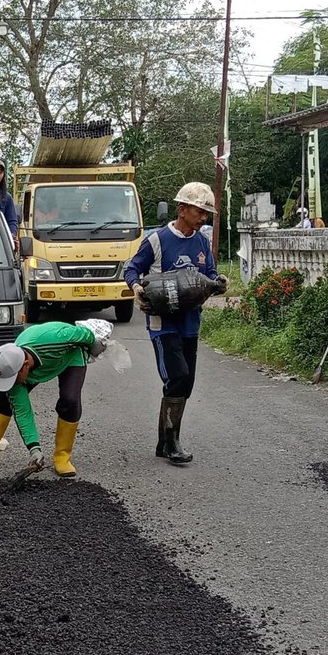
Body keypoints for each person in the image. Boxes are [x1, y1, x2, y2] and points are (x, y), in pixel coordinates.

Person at [125, 181, 218, 467]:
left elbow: (211, 273)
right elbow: (132, 269)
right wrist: (137, 289)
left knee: (186, 381)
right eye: (199, 211)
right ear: (182, 209)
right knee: (176, 375)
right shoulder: (157, 239)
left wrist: (218, 284)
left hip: (191, 321)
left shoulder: (202, 241)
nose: (203, 218)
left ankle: (165, 441)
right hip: (162, 322)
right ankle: (172, 441)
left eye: (206, 213)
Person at [0, 319, 111, 477]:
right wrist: (34, 449)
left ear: (25, 365)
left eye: (13, 378)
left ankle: (62, 457)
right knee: (4, 398)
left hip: (70, 357)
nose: (11, 383)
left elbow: (82, 334)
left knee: (70, 400)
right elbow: (23, 413)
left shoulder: (54, 339)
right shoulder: (12, 363)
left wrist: (94, 344)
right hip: (42, 362)